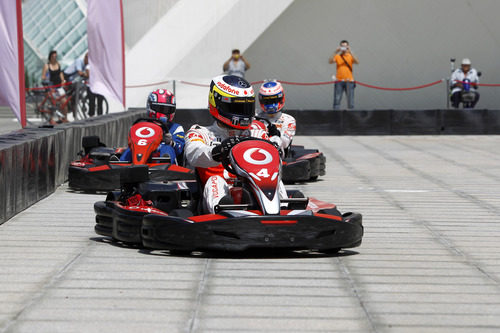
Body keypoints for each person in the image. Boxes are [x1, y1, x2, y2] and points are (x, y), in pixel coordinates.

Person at [184, 74, 287, 214]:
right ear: (218, 104)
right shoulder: (201, 132)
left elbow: (275, 153)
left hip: (253, 190)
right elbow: (193, 153)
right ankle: (224, 214)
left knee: (273, 180)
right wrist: (217, 151)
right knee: (215, 180)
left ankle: (284, 211)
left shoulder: (255, 132)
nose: (243, 113)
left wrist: (276, 143)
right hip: (220, 195)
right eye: (238, 107)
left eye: (246, 107)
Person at [120, 89, 185, 164]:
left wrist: (171, 142)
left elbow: (180, 148)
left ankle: (165, 163)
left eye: (168, 109)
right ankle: (121, 164)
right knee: (131, 148)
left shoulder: (176, 128)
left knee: (167, 148)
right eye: (160, 109)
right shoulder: (142, 126)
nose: (164, 113)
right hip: (143, 154)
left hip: (165, 164)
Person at [255, 80, 296, 154]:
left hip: (275, 154)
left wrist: (276, 134)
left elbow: (285, 143)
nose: (270, 104)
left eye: (274, 100)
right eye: (267, 101)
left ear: (281, 98)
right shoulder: (255, 117)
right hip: (253, 150)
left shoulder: (289, 120)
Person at [328, 40, 359, 110]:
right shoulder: (337, 56)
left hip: (349, 80)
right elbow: (330, 61)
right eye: (342, 46)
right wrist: (335, 51)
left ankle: (351, 118)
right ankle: (336, 118)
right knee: (337, 100)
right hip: (339, 80)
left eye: (345, 46)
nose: (344, 48)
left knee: (350, 101)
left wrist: (351, 51)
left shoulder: (350, 56)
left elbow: (357, 62)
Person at [41, 50, 68, 123]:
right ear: (50, 57)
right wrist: (47, 80)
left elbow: (60, 73)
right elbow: (43, 76)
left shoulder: (58, 64)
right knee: (52, 103)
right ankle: (51, 119)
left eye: (55, 56)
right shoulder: (47, 66)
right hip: (51, 87)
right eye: (53, 56)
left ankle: (64, 118)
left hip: (59, 86)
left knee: (64, 102)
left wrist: (63, 81)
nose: (54, 58)